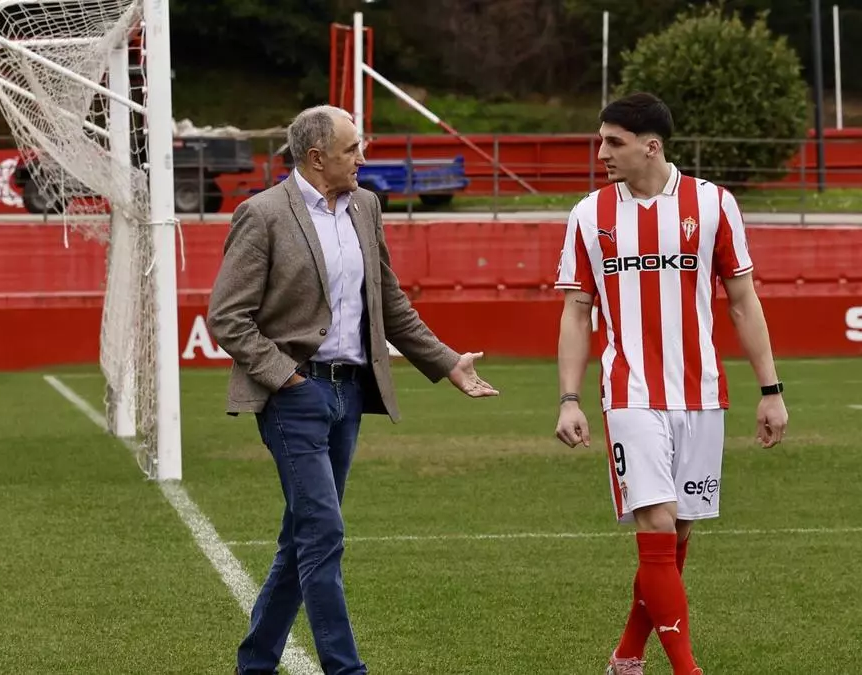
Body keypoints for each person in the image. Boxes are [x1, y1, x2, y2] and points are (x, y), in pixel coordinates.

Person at [207, 104, 499, 675]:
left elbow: (389, 302)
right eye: (352, 149)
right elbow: (227, 317)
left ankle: (255, 664)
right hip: (295, 398)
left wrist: (447, 363)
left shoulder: (366, 205)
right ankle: (347, 669)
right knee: (324, 533)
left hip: (351, 397)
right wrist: (288, 379)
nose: (363, 158)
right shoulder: (261, 214)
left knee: (303, 538)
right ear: (317, 157)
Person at [553, 92, 789, 675]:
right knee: (656, 524)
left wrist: (771, 391)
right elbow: (577, 312)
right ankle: (687, 670)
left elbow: (743, 301)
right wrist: (569, 399)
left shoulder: (713, 204)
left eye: (614, 142)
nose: (601, 153)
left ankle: (627, 655)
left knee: (676, 535)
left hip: (701, 392)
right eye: (601, 141)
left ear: (651, 146)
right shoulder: (589, 214)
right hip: (629, 392)